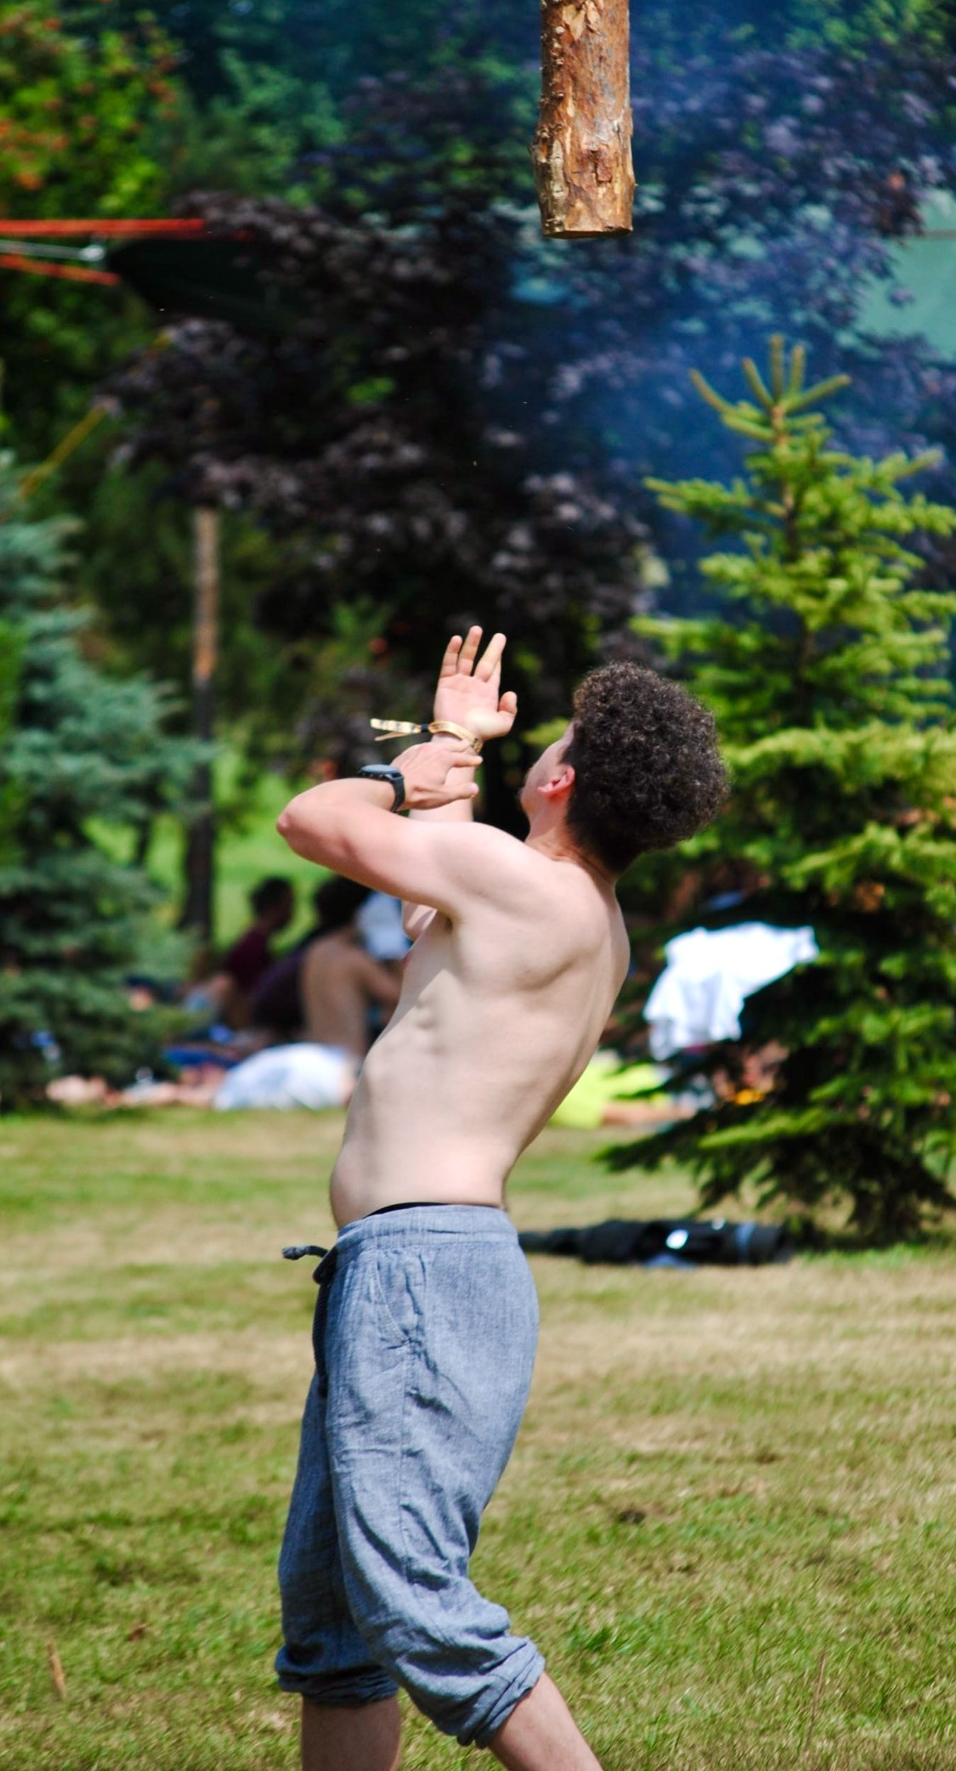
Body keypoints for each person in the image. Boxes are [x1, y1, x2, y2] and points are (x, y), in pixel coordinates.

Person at [272, 625, 726, 1771]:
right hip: (419, 1264)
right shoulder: (580, 912)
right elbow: (431, 913)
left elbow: (311, 821)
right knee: (339, 1627)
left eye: (556, 738)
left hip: (421, 1273)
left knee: (417, 1603)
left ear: (563, 780)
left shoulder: (522, 885)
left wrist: (399, 774)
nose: (544, 744)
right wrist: (455, 745)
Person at [299, 875, 404, 1058]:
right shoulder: (353, 959)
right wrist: (392, 949)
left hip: (318, 1055)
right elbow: (402, 996)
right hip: (345, 1060)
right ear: (362, 913)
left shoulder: (316, 950)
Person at [210, 876, 296, 1027]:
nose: (292, 914)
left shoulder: (253, 941)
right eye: (289, 906)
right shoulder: (253, 948)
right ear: (274, 908)